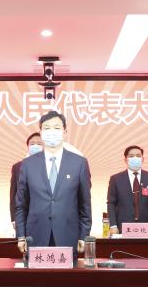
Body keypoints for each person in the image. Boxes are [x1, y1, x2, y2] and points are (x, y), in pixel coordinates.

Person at [15, 110, 92, 256]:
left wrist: (84, 236)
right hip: (35, 236)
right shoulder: (27, 164)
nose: (52, 132)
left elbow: (85, 204)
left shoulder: (79, 163)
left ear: (64, 132)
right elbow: (21, 205)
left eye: (56, 128)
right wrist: (20, 235)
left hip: (68, 236)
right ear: (41, 133)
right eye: (47, 128)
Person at [107, 145, 148, 235]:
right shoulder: (115, 179)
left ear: (143, 159)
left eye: (138, 156)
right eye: (131, 156)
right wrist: (113, 226)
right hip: (123, 227)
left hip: (147, 227)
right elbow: (111, 203)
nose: (135, 158)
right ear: (125, 160)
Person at [10, 132, 43, 226]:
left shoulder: (51, 165)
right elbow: (13, 194)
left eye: (39, 144)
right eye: (32, 144)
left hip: (45, 215)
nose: (35, 146)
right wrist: (14, 218)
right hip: (23, 216)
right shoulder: (17, 166)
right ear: (27, 146)